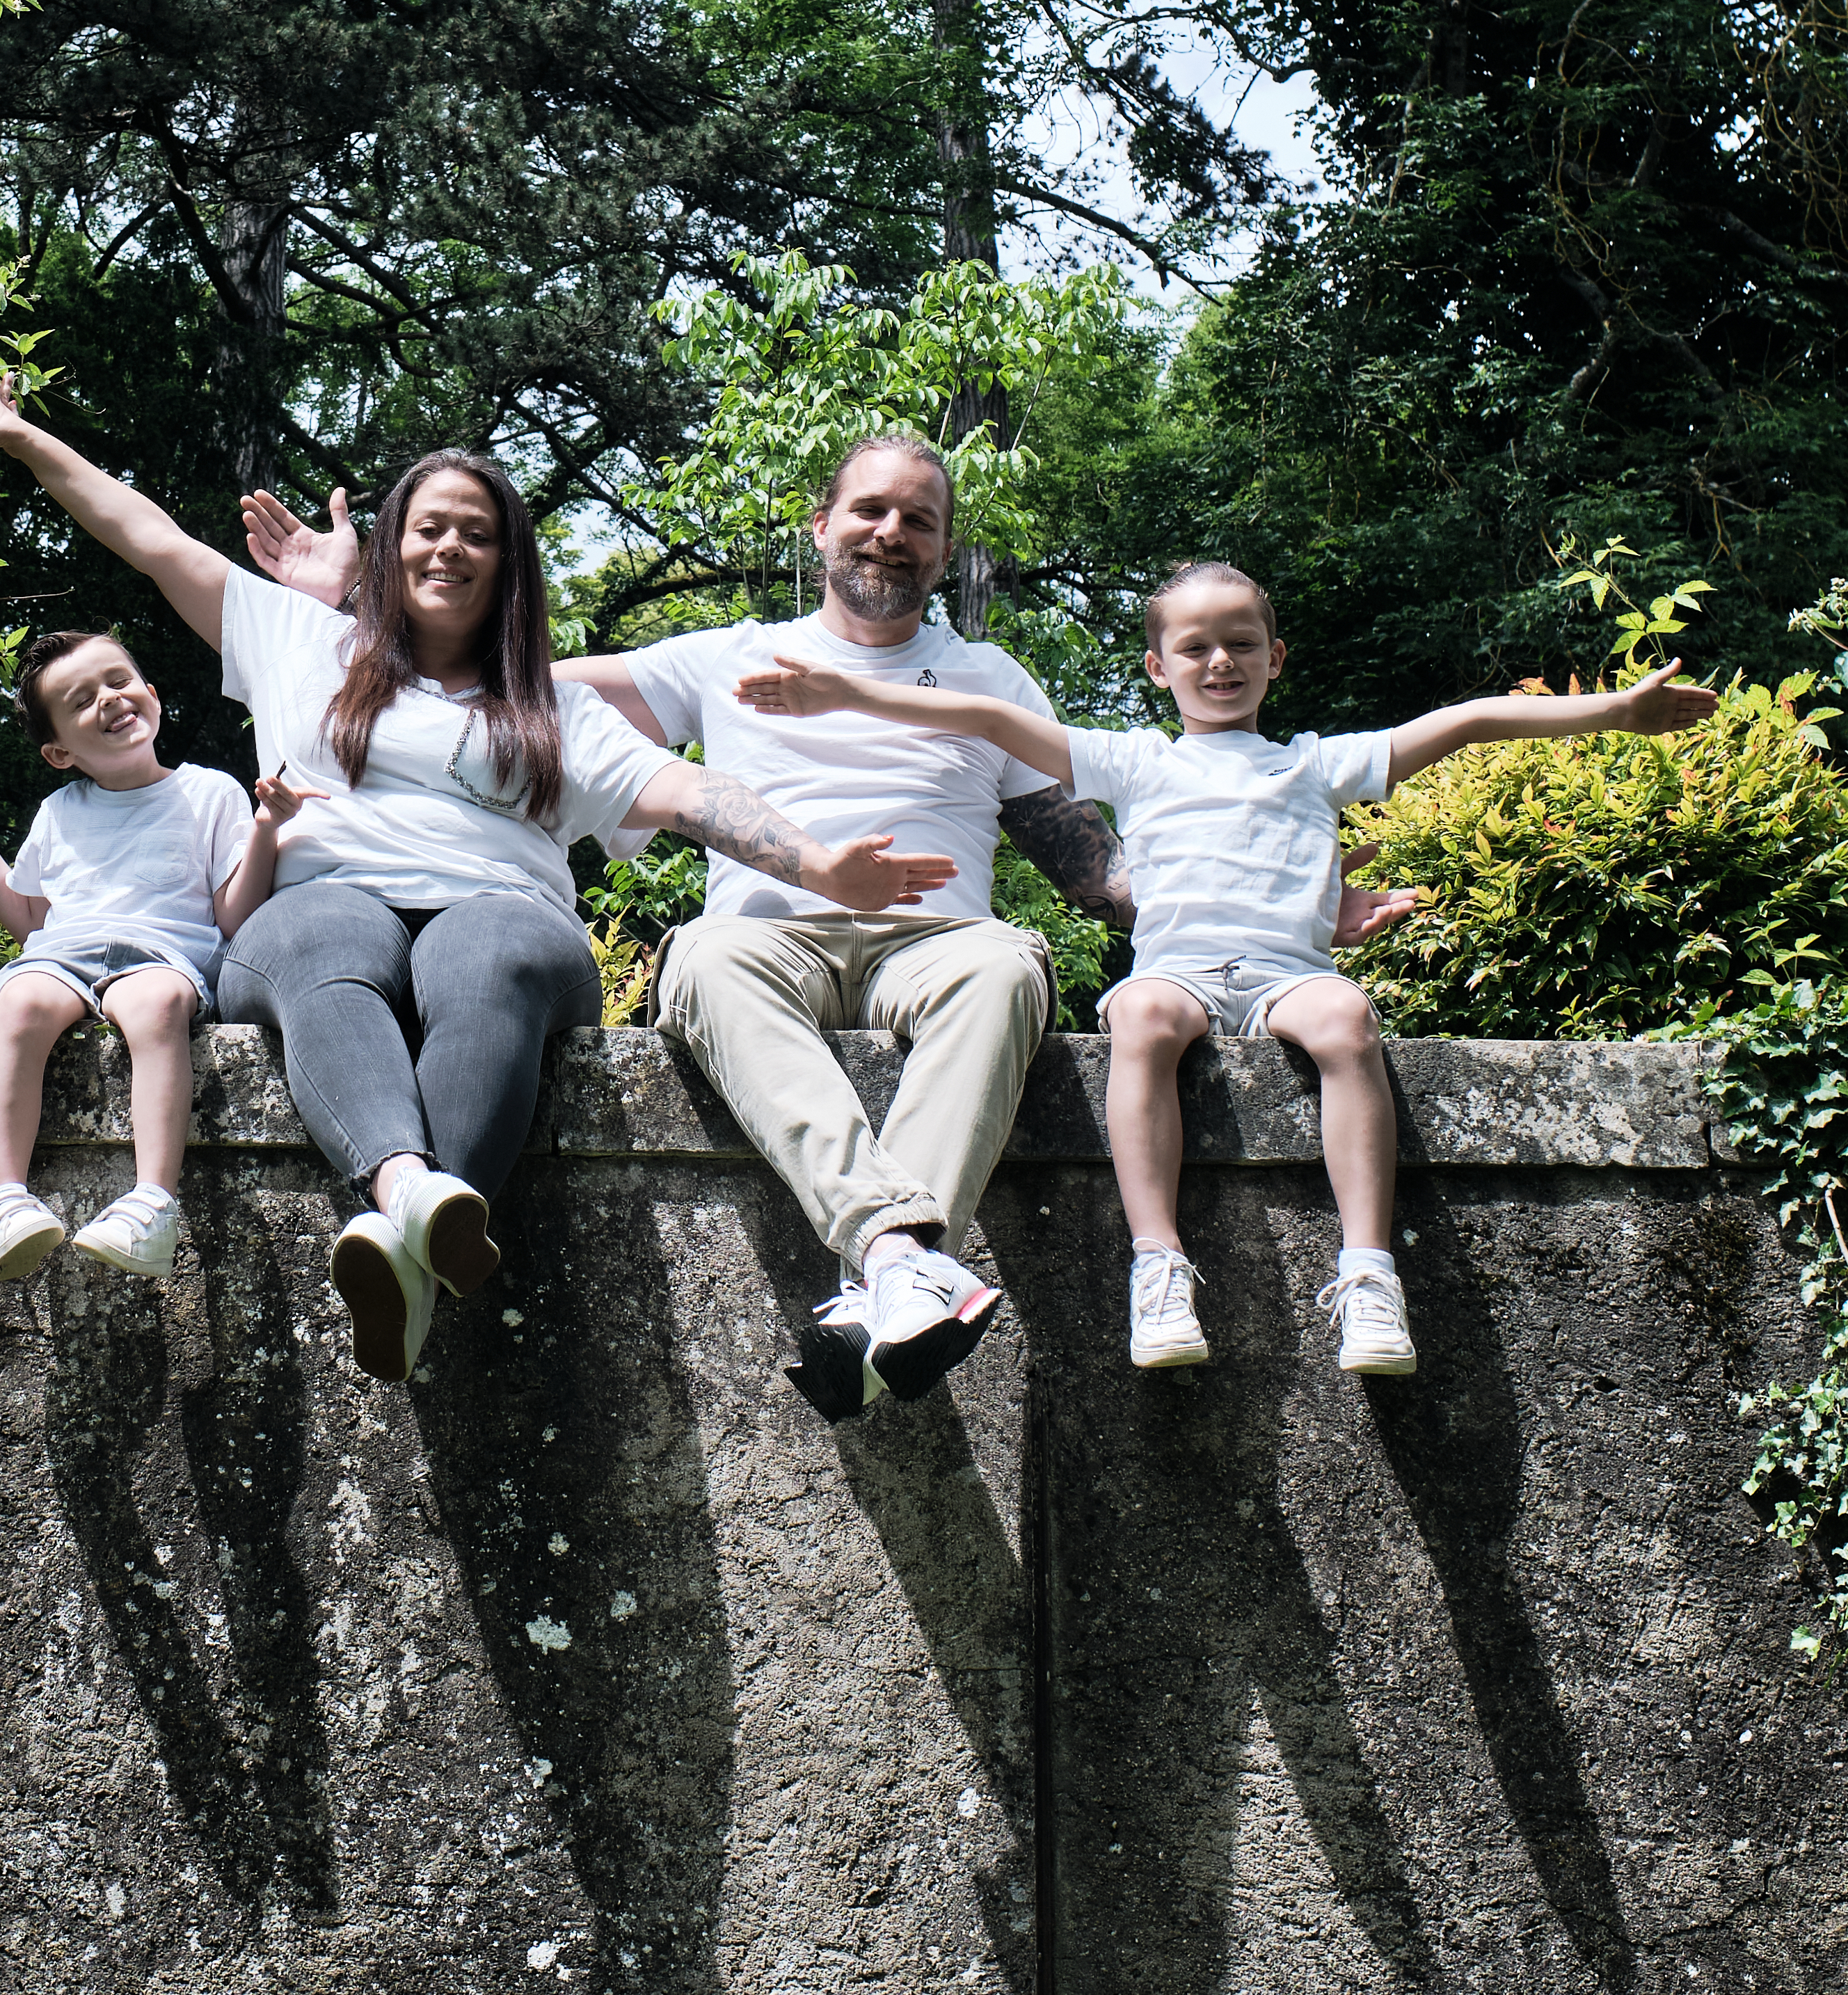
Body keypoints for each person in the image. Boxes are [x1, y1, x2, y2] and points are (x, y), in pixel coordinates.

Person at [0, 358, 954, 1381]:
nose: (450, 546)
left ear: (508, 564)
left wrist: (821, 864)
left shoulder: (558, 713)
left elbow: (694, 797)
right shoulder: (304, 643)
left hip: (506, 912)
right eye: (427, 527)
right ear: (389, 549)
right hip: (321, 902)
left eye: (476, 531)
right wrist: (28, 442)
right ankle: (414, 1202)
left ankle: (404, 1227)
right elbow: (147, 536)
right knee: (316, 929)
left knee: (485, 942)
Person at [733, 552, 1720, 1378]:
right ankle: (1157, 1267)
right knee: (1140, 1019)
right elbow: (988, 723)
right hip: (1183, 970)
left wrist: (1609, 714)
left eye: (1240, 644)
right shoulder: (1137, 762)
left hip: (1287, 969)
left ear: (1274, 658)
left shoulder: (1313, 762)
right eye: (1194, 648)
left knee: (1345, 1022)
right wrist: (840, 691)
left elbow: (1464, 720)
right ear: (1157, 667)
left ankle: (1369, 1273)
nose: (1219, 662)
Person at [551, 435, 1088, 1417]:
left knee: (1010, 965)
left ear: (944, 549)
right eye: (869, 511)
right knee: (700, 959)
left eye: (917, 520)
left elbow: (1084, 858)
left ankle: (883, 1272)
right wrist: (352, 632)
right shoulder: (727, 654)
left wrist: (1267, 904)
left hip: (937, 944)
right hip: (765, 942)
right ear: (821, 526)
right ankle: (900, 1258)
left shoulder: (989, 678)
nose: (890, 534)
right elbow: (523, 688)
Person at [0, 625, 308, 1288]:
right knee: (23, 1003)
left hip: (162, 952)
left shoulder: (209, 793)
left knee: (157, 1002)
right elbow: (30, 919)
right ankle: (2, 1199)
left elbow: (233, 915)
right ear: (59, 751)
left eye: (118, 681)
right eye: (82, 700)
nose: (109, 700)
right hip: (63, 952)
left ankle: (152, 1203)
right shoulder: (59, 811)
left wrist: (266, 831)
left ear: (152, 694)